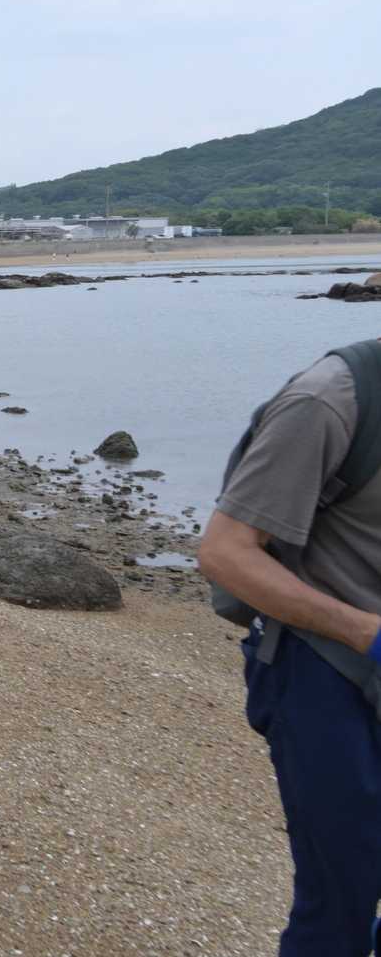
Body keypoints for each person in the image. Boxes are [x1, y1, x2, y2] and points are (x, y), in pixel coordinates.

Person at [197, 340, 381, 955]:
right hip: (327, 674)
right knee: (340, 905)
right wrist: (369, 634)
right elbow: (225, 553)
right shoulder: (329, 400)